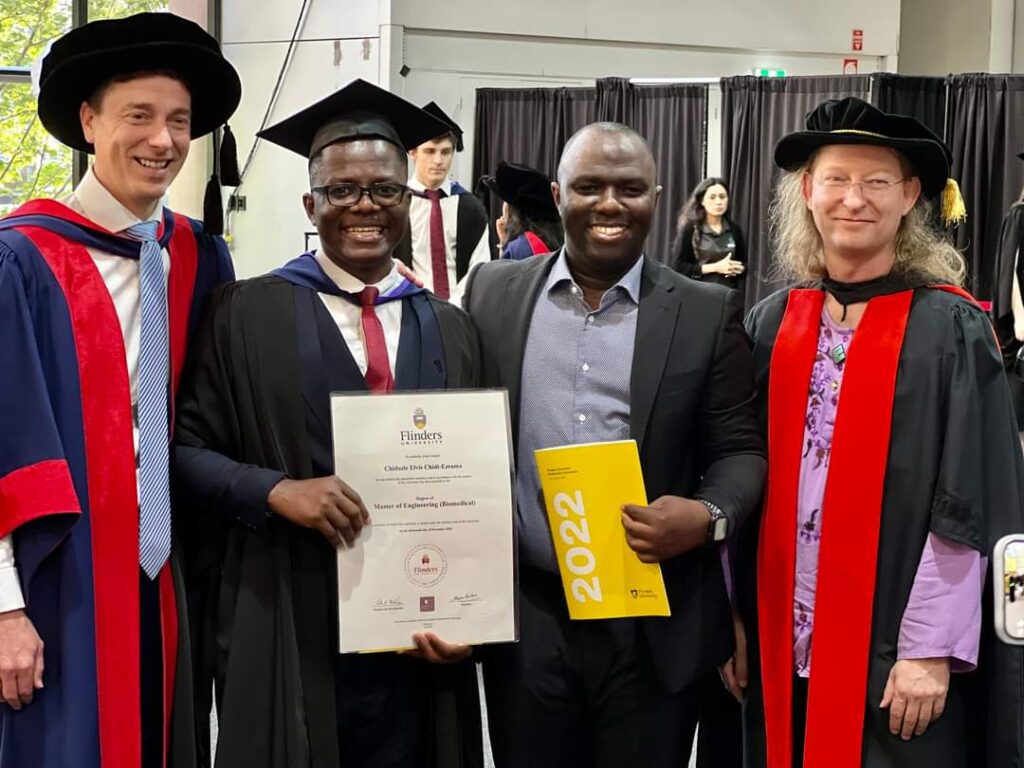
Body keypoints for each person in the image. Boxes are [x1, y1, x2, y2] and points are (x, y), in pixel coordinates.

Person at [172, 79, 484, 768]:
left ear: (408, 200)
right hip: (290, 610)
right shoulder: (245, 313)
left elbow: (482, 488)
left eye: (385, 189)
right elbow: (184, 452)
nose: (365, 205)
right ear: (311, 204)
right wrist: (276, 490)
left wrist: (473, 615)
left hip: (416, 632)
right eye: (342, 191)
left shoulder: (453, 329)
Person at [464, 122, 766, 768]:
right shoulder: (492, 293)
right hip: (528, 614)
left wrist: (708, 517)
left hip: (652, 617)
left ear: (655, 198)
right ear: (558, 193)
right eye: (589, 186)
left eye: (630, 188)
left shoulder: (706, 311)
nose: (609, 203)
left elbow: (741, 451)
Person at [739, 97, 1024, 768]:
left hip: (893, 650)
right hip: (784, 639)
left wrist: (930, 648)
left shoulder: (950, 329)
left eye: (876, 182)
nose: (853, 200)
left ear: (910, 196)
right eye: (835, 179)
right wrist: (740, 625)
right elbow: (738, 476)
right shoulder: (770, 324)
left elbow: (970, 496)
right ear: (807, 191)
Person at [0, 13, 238, 768]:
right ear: (88, 121)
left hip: (170, 572)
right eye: (139, 116)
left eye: (179, 121)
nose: (162, 141)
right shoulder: (22, 261)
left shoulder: (200, 258)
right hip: (59, 574)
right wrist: (3, 608)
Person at [396, 101, 490, 303]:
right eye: (430, 151)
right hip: (407, 307)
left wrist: (452, 307)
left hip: (460, 311)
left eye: (446, 152)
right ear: (413, 152)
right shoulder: (396, 205)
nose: (439, 160)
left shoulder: (470, 207)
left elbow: (480, 267)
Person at [671, 176, 746, 289]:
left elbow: (744, 265)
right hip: (698, 292)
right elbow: (679, 267)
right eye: (712, 197)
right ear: (702, 201)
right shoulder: (690, 230)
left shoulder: (734, 230)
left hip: (728, 293)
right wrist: (716, 267)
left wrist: (737, 268)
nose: (718, 202)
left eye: (722, 197)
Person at [482, 161, 563, 259]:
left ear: (514, 210)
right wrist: (504, 242)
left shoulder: (518, 249)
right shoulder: (563, 240)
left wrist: (505, 248)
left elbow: (504, 273)